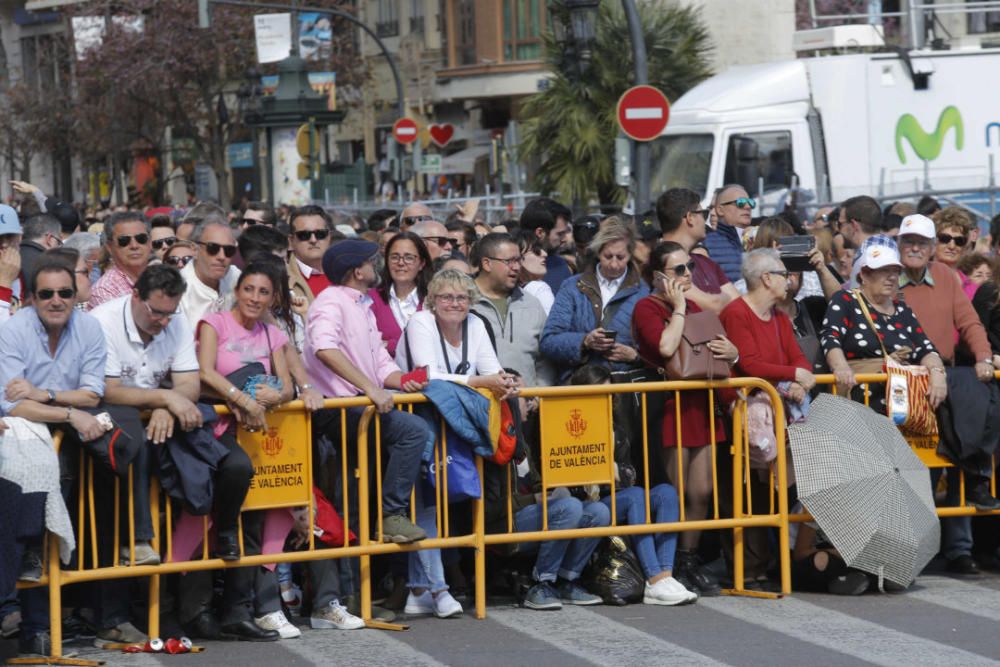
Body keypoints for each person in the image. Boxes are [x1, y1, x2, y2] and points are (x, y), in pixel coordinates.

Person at [0, 256, 151, 649]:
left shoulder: (88, 327)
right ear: (31, 297)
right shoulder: (12, 330)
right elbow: (12, 405)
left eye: (64, 293)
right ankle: (36, 628)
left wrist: (44, 394)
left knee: (106, 511)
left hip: (81, 433)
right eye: (46, 293)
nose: (55, 300)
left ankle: (107, 617)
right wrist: (67, 411)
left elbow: (92, 392)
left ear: (75, 296)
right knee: (39, 532)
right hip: (31, 438)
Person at [395, 269, 518, 618]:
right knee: (425, 503)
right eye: (447, 297)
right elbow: (426, 374)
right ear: (433, 300)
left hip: (455, 422)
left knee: (438, 499)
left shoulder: (476, 325)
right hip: (415, 421)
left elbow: (492, 370)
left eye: (462, 297)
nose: (455, 303)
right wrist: (480, 381)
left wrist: (504, 383)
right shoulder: (421, 322)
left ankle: (418, 591)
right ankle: (439, 588)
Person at [194, 258, 296, 641]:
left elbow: (288, 386)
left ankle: (237, 611)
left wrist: (275, 394)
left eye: (264, 292)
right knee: (212, 513)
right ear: (236, 291)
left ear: (273, 298)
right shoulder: (214, 324)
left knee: (252, 522)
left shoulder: (274, 334)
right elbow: (204, 371)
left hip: (256, 434)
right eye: (249, 289)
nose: (255, 297)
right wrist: (241, 397)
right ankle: (196, 610)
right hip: (217, 429)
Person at [303, 239, 430, 545]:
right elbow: (324, 348)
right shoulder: (331, 300)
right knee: (413, 430)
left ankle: (360, 570)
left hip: (358, 407)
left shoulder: (363, 305)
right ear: (357, 271)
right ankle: (392, 515)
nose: (378, 266)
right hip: (338, 409)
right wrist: (371, 388)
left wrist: (404, 382)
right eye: (371, 261)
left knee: (356, 495)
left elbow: (381, 364)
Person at [894, 213, 1000, 574]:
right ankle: (909, 547)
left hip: (946, 377)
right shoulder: (886, 274)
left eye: (922, 243)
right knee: (909, 469)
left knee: (956, 449)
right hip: (900, 380)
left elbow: (968, 321)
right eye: (909, 241)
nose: (915, 248)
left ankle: (958, 548)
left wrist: (984, 357)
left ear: (930, 249)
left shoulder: (945, 276)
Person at [631, 242, 739, 596]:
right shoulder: (647, 308)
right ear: (658, 277)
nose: (688, 274)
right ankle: (668, 564)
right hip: (668, 405)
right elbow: (664, 348)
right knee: (675, 492)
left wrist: (732, 352)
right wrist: (678, 308)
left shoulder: (695, 306)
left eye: (689, 266)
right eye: (678, 269)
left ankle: (689, 559)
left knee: (701, 491)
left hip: (701, 403)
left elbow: (716, 350)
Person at [567, 364, 697, 606]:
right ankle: (654, 578)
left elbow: (629, 473)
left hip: (620, 495)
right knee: (636, 495)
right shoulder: (569, 424)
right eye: (599, 393)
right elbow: (570, 477)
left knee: (667, 493)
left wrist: (613, 470)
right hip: (593, 502)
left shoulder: (616, 426)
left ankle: (665, 575)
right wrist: (606, 470)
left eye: (610, 393)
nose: (606, 399)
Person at [541, 218, 648, 382]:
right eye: (608, 256)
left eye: (620, 257)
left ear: (630, 254)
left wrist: (635, 356)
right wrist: (584, 341)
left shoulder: (643, 292)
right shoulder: (572, 287)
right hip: (581, 384)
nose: (613, 264)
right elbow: (548, 341)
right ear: (598, 252)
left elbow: (656, 348)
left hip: (624, 386)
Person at [471, 233, 554, 388]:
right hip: (478, 405)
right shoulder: (462, 303)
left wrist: (538, 395)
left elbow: (546, 360)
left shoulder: (532, 304)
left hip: (526, 405)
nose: (516, 267)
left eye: (518, 260)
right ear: (487, 263)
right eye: (509, 261)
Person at [656, 188, 739, 313]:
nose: (706, 220)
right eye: (704, 214)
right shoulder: (662, 263)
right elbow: (713, 306)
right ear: (690, 217)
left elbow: (740, 305)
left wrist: (720, 301)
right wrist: (723, 299)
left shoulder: (706, 262)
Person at [369, 231, 432, 357]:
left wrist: (389, 345)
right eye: (394, 257)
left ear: (421, 264)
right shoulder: (371, 299)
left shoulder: (433, 299)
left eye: (409, 257)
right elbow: (366, 344)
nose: (401, 263)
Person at [178, 216, 240, 327]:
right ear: (195, 250)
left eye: (229, 250)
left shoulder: (236, 277)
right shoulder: (178, 290)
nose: (221, 256)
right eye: (213, 248)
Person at [88, 211, 153, 309]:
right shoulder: (104, 290)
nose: (134, 246)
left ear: (150, 243)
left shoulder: (163, 278)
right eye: (124, 241)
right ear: (110, 247)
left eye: (141, 238)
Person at [838, 195, 895, 288]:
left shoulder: (865, 261)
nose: (838, 230)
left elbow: (860, 301)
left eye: (840, 224)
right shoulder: (893, 249)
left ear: (853, 225)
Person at [519, 197, 574, 293]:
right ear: (540, 232)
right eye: (560, 234)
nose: (565, 239)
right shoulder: (512, 268)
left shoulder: (560, 265)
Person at [704, 184, 753, 282]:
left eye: (751, 203)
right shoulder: (706, 244)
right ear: (720, 210)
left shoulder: (760, 237)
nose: (747, 207)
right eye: (741, 203)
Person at [288, 205, 335, 305]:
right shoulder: (280, 280)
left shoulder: (347, 276)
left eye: (320, 234)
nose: (313, 240)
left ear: (329, 237)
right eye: (304, 235)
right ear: (291, 241)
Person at [19, 214, 63, 297]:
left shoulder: (6, 257)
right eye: (58, 243)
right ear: (49, 239)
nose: (58, 248)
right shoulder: (49, 266)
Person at [513, 228, 553, 314]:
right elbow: (551, 326)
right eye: (536, 251)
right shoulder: (539, 289)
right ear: (518, 258)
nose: (545, 254)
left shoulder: (505, 293)